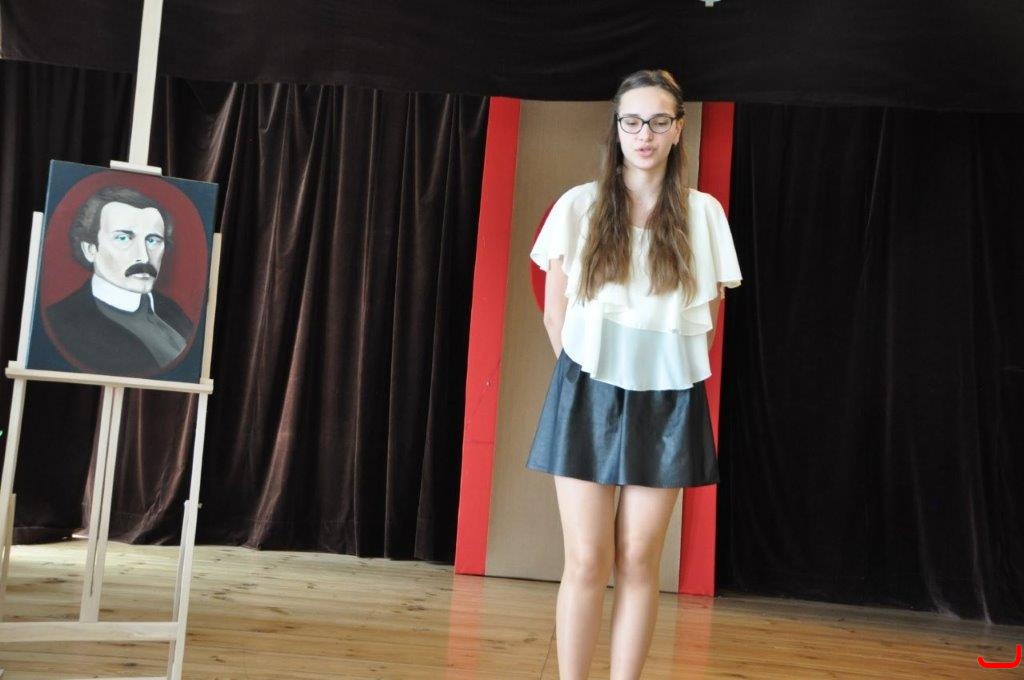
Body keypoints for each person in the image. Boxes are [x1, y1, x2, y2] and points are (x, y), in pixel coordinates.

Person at [527, 70, 742, 679]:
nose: (644, 134)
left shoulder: (703, 215)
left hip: (669, 400)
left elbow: (706, 324)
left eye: (657, 121)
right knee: (585, 559)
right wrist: (587, 382)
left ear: (678, 129)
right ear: (616, 129)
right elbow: (555, 313)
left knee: (640, 559)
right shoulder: (580, 205)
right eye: (631, 121)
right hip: (586, 392)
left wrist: (653, 372)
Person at [44, 186, 193, 376]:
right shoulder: (63, 322)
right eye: (123, 238)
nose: (144, 256)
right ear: (90, 249)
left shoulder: (173, 312)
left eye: (153, 240)